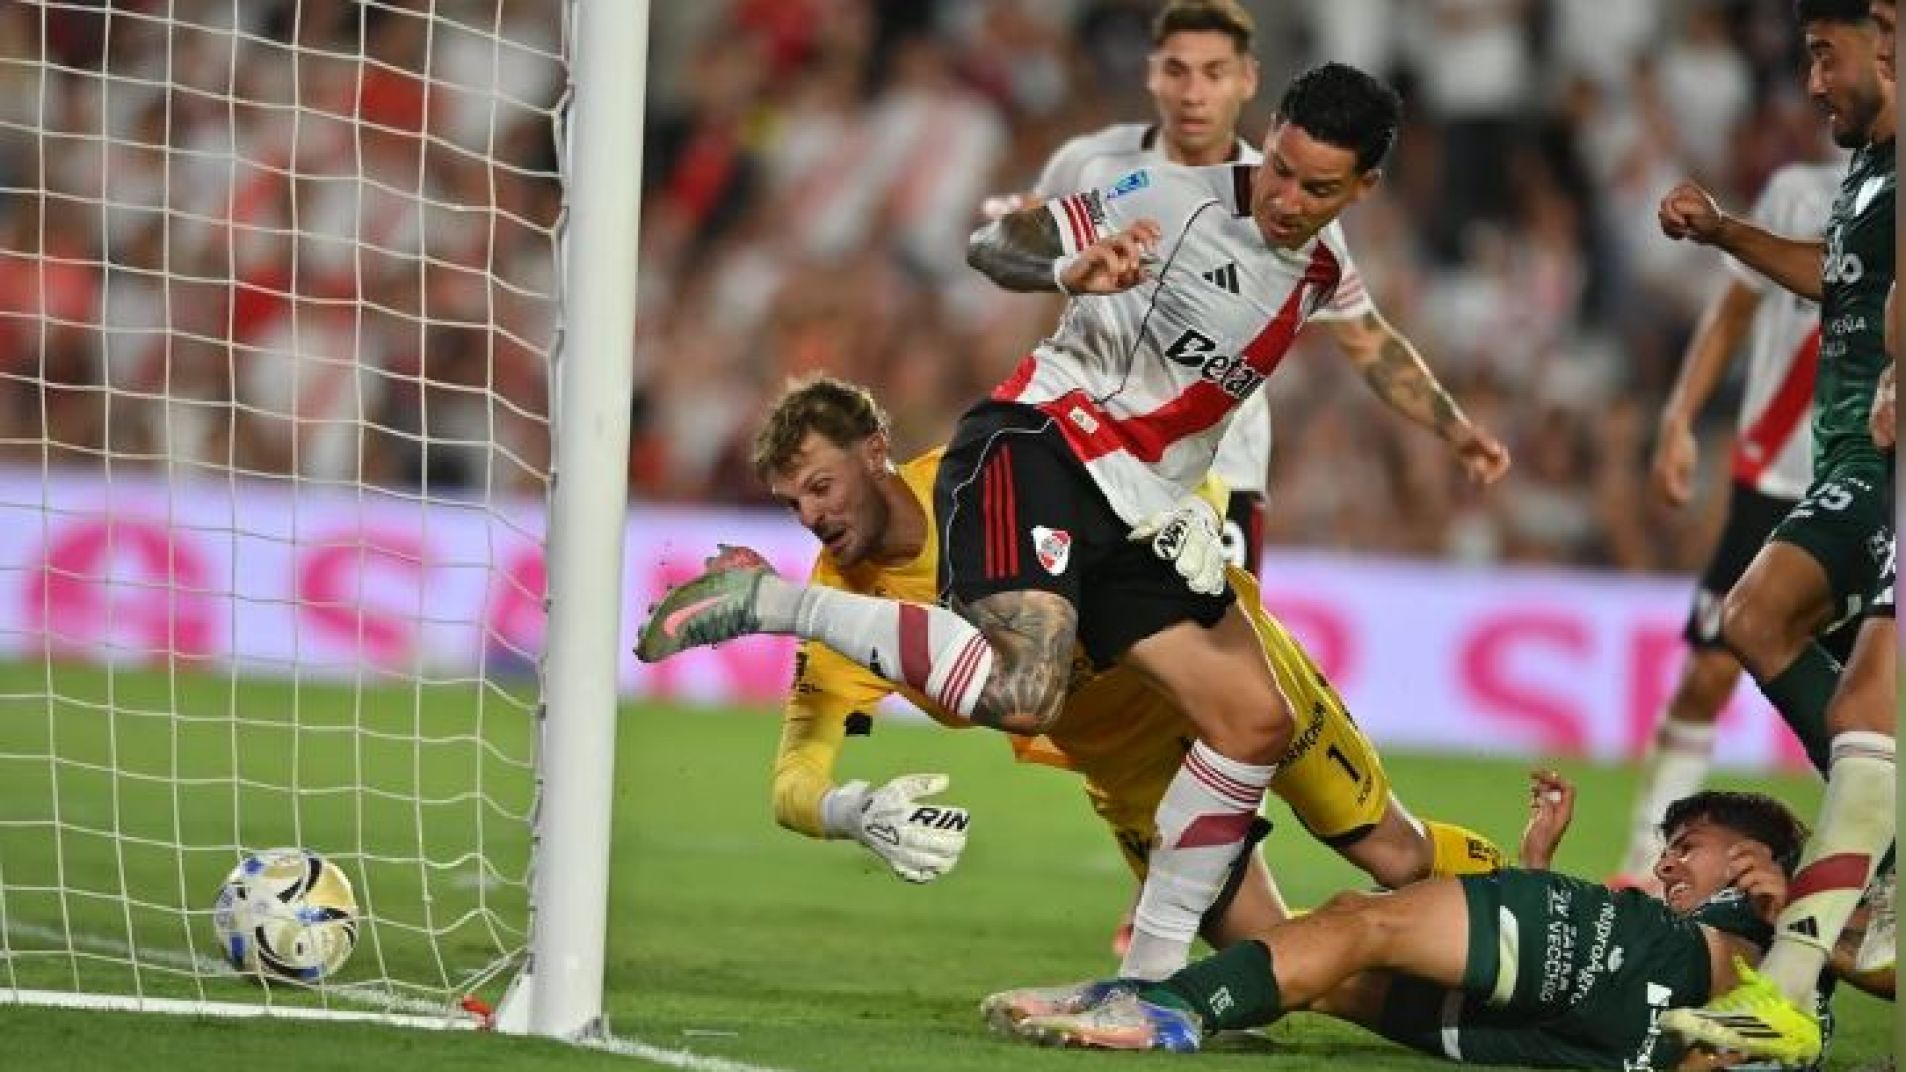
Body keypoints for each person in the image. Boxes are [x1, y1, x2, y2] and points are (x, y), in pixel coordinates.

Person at [638, 62, 1509, 987]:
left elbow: (1376, 346)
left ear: (1363, 188)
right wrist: (1065, 267)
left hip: (1135, 519)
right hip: (1049, 448)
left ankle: (1521, 930)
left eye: (1317, 187)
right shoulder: (1168, 195)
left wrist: (1456, 430)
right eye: (1282, 169)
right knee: (1028, 693)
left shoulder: (1323, 272)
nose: (1286, 199)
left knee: (1299, 764)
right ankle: (765, 601)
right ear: (1272, 132)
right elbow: (998, 240)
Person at [736, 376, 1502, 923]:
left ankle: (1548, 910)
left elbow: (1142, 464)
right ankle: (1420, 978)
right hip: (1132, 769)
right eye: (793, 501)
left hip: (1216, 667)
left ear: (873, 453)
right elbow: (792, 778)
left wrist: (1202, 513)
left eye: (820, 486)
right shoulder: (842, 609)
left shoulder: (992, 470)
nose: (810, 515)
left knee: (1394, 858)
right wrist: (851, 811)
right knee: (1272, 959)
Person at [1654, 0, 1896, 1063]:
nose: (1809, 82)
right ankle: (1864, 901)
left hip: (1882, 462)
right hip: (1851, 459)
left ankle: (1819, 958)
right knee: (1774, 635)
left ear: (1884, 34)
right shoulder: (1866, 172)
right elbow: (1839, 284)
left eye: (1821, 55)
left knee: (1838, 685)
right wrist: (1726, 234)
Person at [990, 778, 1810, 1072]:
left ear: (1750, 852)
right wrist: (1536, 868)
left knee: (1362, 922)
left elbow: (1855, 952)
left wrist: (1787, 897)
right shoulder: (1799, 973)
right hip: (1614, 1039)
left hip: (1632, 967)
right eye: (1668, 850)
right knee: (1340, 981)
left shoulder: (1783, 899)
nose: (1668, 865)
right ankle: (1182, 999)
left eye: (1689, 848)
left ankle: (1165, 1007)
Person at [1610, 158, 1845, 891]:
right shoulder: (1798, 190)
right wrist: (1679, 417)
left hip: (1861, 486)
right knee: (1708, 673)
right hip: (1772, 480)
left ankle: (1850, 882)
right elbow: (1736, 310)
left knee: (1851, 711)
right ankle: (1647, 864)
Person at [987, 0, 1279, 576]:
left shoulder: (1252, 197)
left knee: (1216, 638)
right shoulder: (1093, 172)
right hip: (1106, 449)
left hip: (1216, 463)